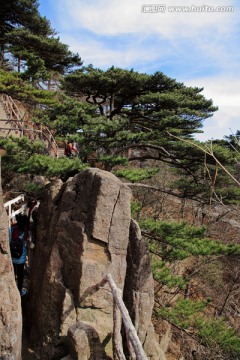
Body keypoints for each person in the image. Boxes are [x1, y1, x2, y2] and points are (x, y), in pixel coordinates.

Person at [9, 214, 30, 296]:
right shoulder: (26, 231)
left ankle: (12, 291)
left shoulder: (12, 229)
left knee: (13, 273)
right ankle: (20, 291)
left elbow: (9, 240)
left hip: (12, 256)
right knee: (20, 275)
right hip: (21, 258)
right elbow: (28, 244)